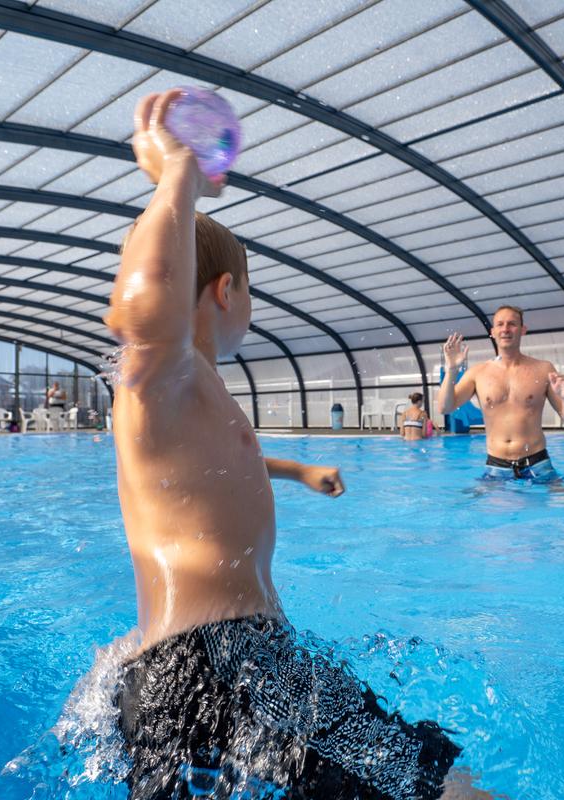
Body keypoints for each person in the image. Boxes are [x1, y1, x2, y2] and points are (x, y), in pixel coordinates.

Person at [104, 90, 480, 800]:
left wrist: (296, 469)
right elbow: (142, 311)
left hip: (177, 671)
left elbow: (205, 481)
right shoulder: (165, 372)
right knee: (451, 792)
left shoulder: (187, 397)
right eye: (251, 292)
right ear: (224, 291)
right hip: (230, 660)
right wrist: (178, 173)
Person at [438, 307, 564, 481]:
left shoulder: (543, 369)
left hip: (537, 463)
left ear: (522, 329)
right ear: (493, 332)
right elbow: (444, 407)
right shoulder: (478, 372)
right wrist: (451, 370)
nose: (505, 329)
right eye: (500, 324)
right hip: (496, 466)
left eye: (512, 324)